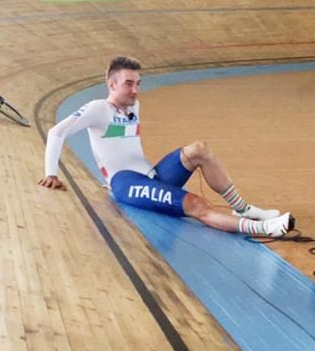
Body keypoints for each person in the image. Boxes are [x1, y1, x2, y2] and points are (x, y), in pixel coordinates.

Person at [38, 56, 292, 237]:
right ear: (111, 84)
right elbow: (56, 131)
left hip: (152, 177)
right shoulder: (97, 109)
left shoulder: (134, 106)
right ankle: (264, 229)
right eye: (129, 83)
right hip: (126, 182)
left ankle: (243, 209)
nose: (136, 90)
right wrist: (51, 173)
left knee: (199, 149)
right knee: (196, 204)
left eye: (138, 83)